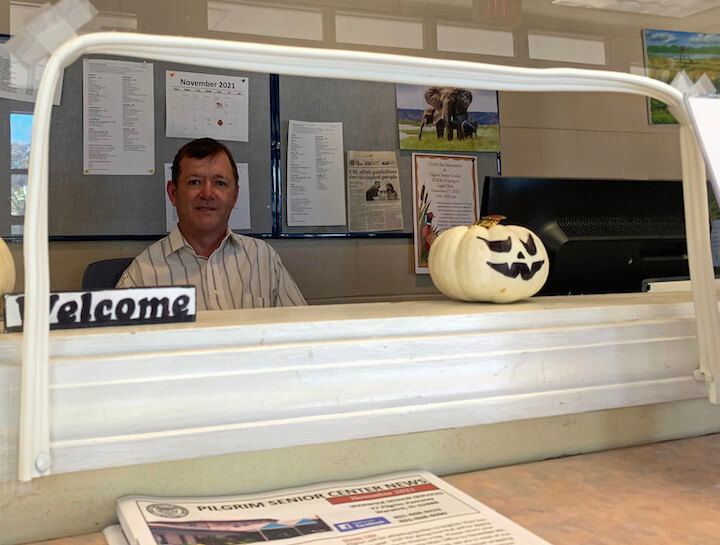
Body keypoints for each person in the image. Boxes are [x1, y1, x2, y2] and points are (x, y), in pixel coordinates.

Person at [116, 138, 306, 310]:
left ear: (235, 196)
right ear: (173, 193)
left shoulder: (263, 258)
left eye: (220, 183)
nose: (207, 193)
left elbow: (301, 331)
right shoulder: (141, 274)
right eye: (194, 182)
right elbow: (119, 345)